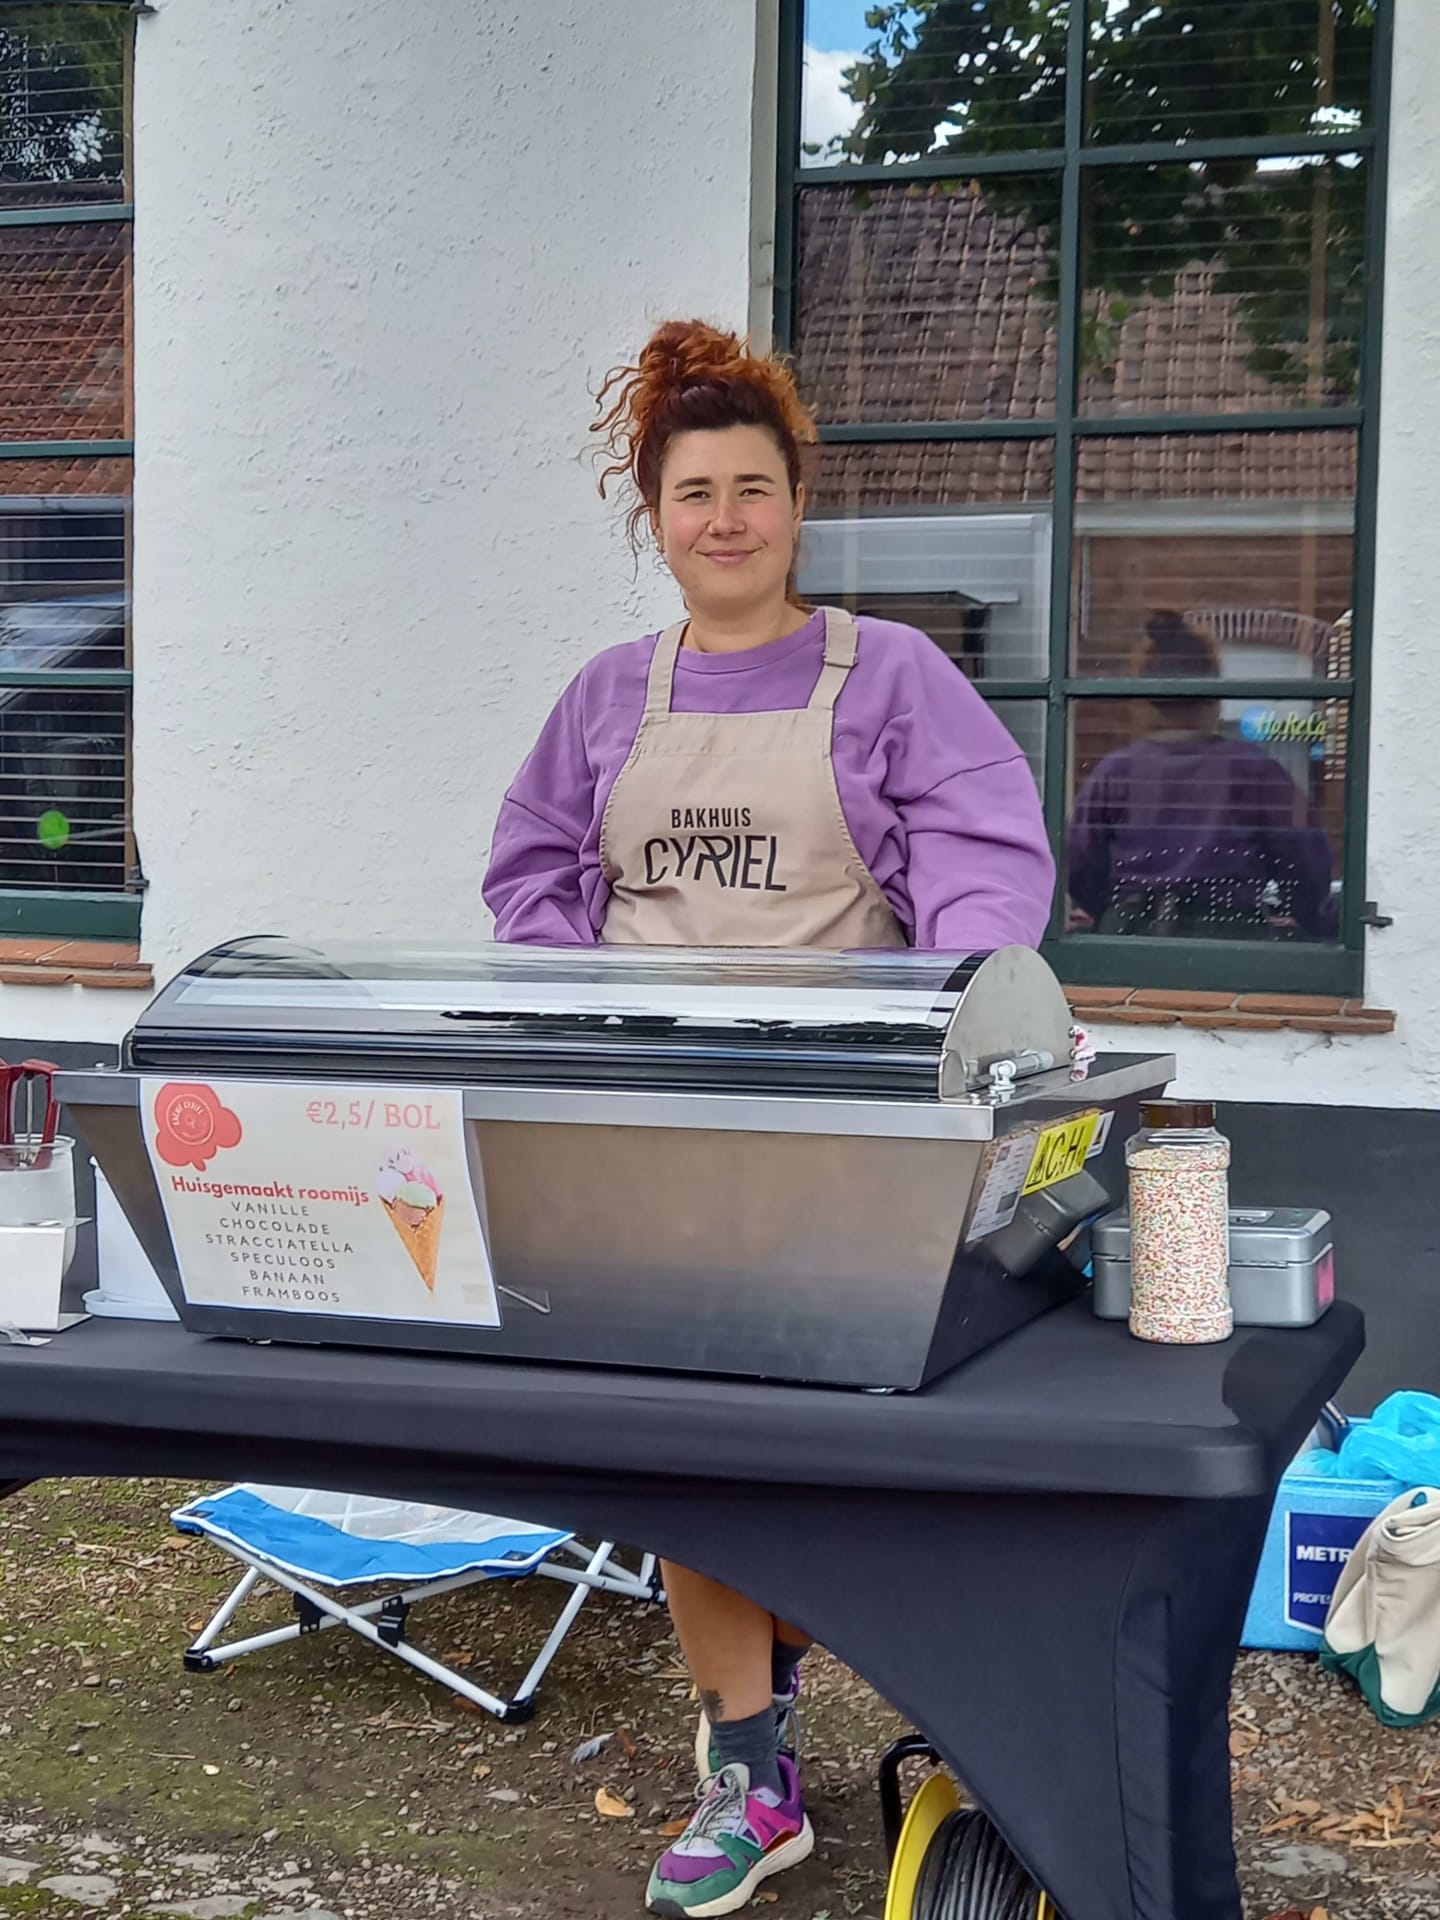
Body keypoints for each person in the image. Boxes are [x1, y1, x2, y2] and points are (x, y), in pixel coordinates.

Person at [483, 319, 1055, 1917]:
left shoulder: (894, 677)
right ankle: (753, 1780)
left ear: (799, 506)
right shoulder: (607, 695)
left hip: (852, 1124)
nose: (724, 519)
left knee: (869, 1451)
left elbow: (981, 852)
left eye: (753, 489)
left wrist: (965, 993)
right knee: (691, 1456)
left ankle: (978, 1742)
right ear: (653, 517)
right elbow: (530, 870)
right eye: (693, 494)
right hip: (657, 1124)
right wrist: (572, 995)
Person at [1066, 610, 1336, 941]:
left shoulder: (1115, 772)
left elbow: (1080, 869)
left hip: (1128, 940)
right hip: (1229, 942)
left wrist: (1110, 911)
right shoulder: (1253, 770)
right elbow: (1308, 869)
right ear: (1215, 696)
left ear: (1147, 701)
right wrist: (1299, 916)